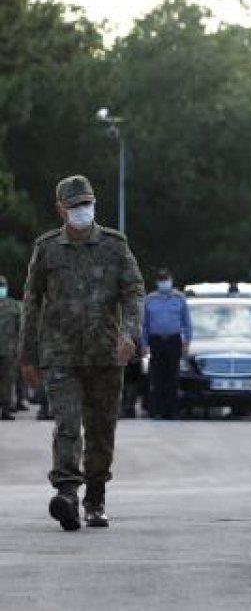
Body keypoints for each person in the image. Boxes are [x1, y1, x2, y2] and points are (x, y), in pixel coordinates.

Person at [19, 175, 144, 531]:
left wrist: (129, 333)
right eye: (75, 206)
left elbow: (134, 292)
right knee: (68, 425)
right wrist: (27, 356)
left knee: (102, 429)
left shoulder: (114, 246)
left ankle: (95, 498)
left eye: (87, 204)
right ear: (61, 209)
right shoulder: (47, 248)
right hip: (61, 354)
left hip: (107, 355)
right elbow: (31, 303)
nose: (82, 211)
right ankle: (68, 495)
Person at [142, 268, 192, 420]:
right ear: (157, 282)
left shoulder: (179, 298)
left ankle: (172, 411)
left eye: (166, 279)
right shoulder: (150, 299)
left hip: (173, 340)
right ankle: (158, 410)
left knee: (173, 376)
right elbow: (144, 324)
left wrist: (187, 342)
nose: (164, 282)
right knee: (157, 377)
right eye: (161, 280)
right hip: (156, 341)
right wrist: (144, 344)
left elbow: (186, 322)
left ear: (171, 280)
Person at [0, 275, 19, 420]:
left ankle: (5, 409)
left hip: (8, 349)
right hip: (8, 348)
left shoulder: (13, 305)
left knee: (7, 380)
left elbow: (20, 327)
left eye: (3, 286)